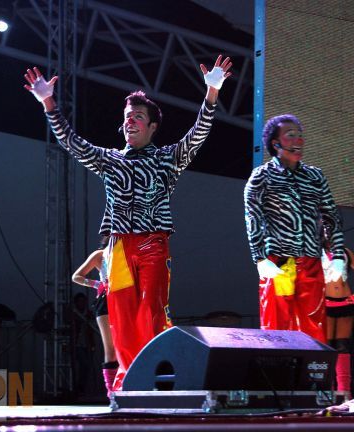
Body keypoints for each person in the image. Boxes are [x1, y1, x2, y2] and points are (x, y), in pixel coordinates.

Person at [24, 55, 232, 391]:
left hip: (152, 245)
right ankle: (128, 383)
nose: (131, 121)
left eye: (138, 116)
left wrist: (211, 94)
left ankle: (159, 380)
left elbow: (198, 135)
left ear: (152, 126)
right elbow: (71, 143)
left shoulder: (167, 159)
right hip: (118, 249)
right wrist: (48, 102)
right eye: (127, 117)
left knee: (151, 313)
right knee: (120, 320)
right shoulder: (111, 160)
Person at [244, 114, 346, 343]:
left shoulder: (315, 176)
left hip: (310, 263)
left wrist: (338, 255)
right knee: (276, 328)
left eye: (300, 136)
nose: (299, 141)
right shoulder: (261, 176)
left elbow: (331, 217)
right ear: (275, 143)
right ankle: (276, 377)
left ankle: (313, 378)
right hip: (278, 263)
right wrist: (259, 258)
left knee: (315, 328)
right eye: (291, 136)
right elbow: (253, 218)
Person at [323, 247, 354, 401]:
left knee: (343, 347)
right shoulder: (314, 251)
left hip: (344, 304)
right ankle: (328, 392)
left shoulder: (345, 252)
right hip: (325, 304)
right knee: (327, 347)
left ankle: (344, 392)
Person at [71, 250, 117, 398]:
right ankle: (112, 392)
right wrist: (97, 284)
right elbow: (76, 276)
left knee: (126, 346)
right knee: (110, 349)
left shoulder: (130, 250)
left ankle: (128, 386)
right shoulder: (101, 255)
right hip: (107, 301)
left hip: (126, 300)